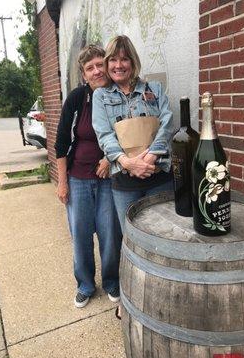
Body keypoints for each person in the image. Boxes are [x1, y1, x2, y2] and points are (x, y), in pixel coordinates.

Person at [55, 45, 122, 308]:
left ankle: (112, 282)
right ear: (84, 75)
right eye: (89, 68)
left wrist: (108, 159)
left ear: (107, 66)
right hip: (78, 179)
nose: (96, 71)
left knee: (109, 235)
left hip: (109, 179)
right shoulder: (76, 99)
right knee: (80, 235)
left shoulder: (119, 95)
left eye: (99, 65)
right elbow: (61, 142)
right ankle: (84, 284)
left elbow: (126, 136)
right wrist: (62, 183)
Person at [92, 35, 174, 232]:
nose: (118, 65)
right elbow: (104, 135)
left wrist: (151, 158)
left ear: (133, 62)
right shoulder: (101, 96)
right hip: (125, 180)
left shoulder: (154, 89)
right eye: (113, 59)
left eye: (124, 59)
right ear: (107, 63)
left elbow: (167, 123)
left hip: (159, 175)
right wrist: (128, 163)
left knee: (165, 233)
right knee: (132, 237)